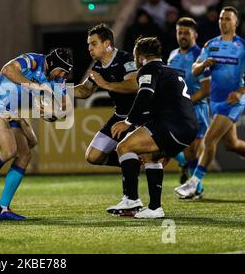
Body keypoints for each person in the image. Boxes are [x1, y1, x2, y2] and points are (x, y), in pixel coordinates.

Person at [0, 48, 73, 220]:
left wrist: (55, 113)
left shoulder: (56, 79)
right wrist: (36, 87)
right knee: (9, 150)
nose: (63, 75)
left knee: (25, 154)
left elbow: (67, 106)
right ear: (53, 63)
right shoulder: (33, 61)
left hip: (9, 111)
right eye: (62, 70)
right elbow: (7, 70)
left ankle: (3, 209)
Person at [110, 37, 198, 218]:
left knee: (124, 147)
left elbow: (145, 95)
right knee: (151, 157)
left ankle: (131, 199)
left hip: (172, 124)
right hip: (188, 128)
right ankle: (155, 208)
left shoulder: (148, 69)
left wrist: (127, 122)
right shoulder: (171, 71)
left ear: (140, 56)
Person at [175, 6, 245, 198]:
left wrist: (240, 92)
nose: (223, 22)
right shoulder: (211, 45)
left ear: (236, 23)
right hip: (215, 100)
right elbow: (195, 68)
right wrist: (203, 64)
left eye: (228, 19)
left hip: (234, 100)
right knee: (232, 144)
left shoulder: (242, 47)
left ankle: (194, 183)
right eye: (222, 18)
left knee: (209, 139)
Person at [72, 23, 141, 213]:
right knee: (93, 156)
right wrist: (58, 91)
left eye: (93, 44)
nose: (89, 48)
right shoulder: (99, 67)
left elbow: (134, 85)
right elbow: (85, 91)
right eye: (88, 44)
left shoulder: (126, 59)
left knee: (124, 149)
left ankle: (132, 199)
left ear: (107, 44)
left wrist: (107, 84)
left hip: (137, 116)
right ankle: (133, 162)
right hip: (119, 115)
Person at [167, 17, 210, 194]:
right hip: (176, 109)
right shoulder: (172, 55)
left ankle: (196, 189)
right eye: (180, 32)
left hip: (197, 109)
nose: (182, 36)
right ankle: (185, 165)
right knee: (165, 142)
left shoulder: (200, 56)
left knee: (193, 151)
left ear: (195, 35)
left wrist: (186, 101)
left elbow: (206, 89)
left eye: (186, 33)